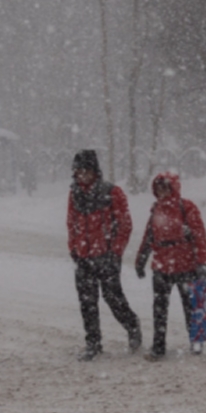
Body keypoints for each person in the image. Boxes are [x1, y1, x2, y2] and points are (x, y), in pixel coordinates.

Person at [66, 149, 141, 360]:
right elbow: (71, 224)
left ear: (94, 171)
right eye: (78, 171)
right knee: (87, 302)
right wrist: (73, 248)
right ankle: (93, 344)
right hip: (82, 257)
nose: (82, 175)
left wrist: (115, 252)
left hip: (106, 256)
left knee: (112, 298)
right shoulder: (74, 194)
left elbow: (125, 225)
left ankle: (132, 325)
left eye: (85, 171)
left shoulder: (112, 192)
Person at [133, 172, 206, 359]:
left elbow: (200, 237)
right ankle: (158, 347)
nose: (162, 192)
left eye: (166, 187)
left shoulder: (187, 207)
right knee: (159, 309)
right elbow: (148, 237)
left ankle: (196, 341)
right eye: (158, 188)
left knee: (190, 307)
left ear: (173, 188)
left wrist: (202, 262)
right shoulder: (155, 210)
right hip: (161, 266)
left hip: (185, 266)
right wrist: (141, 260)